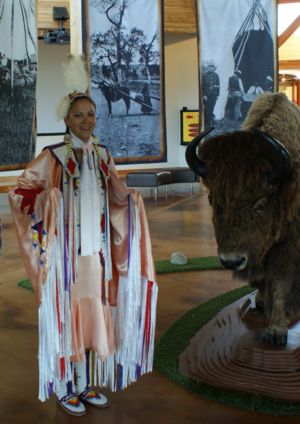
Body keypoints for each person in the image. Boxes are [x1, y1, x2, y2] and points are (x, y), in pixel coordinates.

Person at [8, 56, 157, 417]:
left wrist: (130, 199)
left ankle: (84, 381)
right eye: (79, 115)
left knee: (92, 314)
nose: (87, 120)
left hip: (97, 252)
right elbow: (20, 195)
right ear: (66, 119)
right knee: (66, 315)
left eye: (91, 113)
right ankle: (63, 386)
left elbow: (115, 195)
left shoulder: (103, 156)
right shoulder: (53, 157)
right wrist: (48, 199)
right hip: (64, 256)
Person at [201, 61, 220, 128]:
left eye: (212, 67)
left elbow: (218, 85)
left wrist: (217, 94)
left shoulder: (216, 75)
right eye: (210, 67)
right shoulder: (204, 75)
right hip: (207, 94)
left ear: (214, 68)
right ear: (208, 68)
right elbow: (202, 86)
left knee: (212, 108)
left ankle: (210, 121)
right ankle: (207, 122)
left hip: (213, 94)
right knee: (206, 108)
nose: (211, 68)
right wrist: (204, 95)